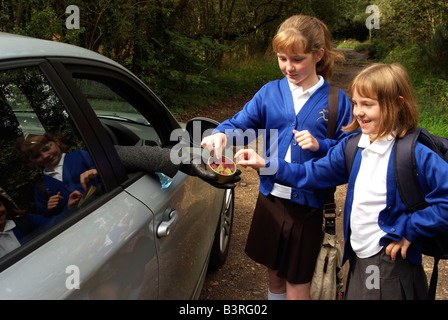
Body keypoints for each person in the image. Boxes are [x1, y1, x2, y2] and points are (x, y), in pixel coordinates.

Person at [236, 63, 448, 300]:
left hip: (387, 263)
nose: (357, 112)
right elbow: (310, 173)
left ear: (398, 104)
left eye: (368, 104)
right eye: (356, 103)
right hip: (358, 257)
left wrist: (410, 228)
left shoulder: (416, 154)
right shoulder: (354, 146)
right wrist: (266, 165)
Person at [201, 15, 352, 300]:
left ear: (318, 55)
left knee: (298, 284)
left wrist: (320, 145)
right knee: (275, 275)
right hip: (270, 199)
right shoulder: (270, 92)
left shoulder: (335, 100)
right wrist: (221, 134)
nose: (288, 67)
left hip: (306, 205)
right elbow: (239, 123)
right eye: (282, 58)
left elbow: (346, 153)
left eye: (297, 59)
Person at [17, 133, 240, 216]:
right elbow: (42, 220)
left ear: (56, 143)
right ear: (31, 163)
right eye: (37, 156)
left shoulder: (81, 156)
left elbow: (129, 156)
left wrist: (186, 161)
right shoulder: (42, 188)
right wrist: (54, 210)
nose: (45, 156)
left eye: (46, 148)